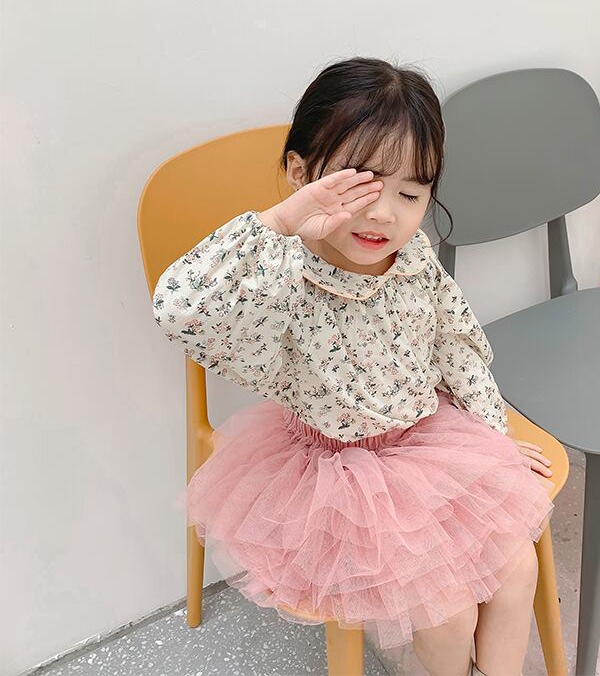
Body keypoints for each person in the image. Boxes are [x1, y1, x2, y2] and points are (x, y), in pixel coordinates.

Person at [152, 57, 555, 676]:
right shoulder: (281, 277)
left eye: (410, 195)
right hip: (337, 478)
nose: (384, 214)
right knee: (446, 614)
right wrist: (280, 222)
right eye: (358, 189)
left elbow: (455, 344)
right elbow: (180, 309)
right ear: (300, 173)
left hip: (429, 442)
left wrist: (492, 441)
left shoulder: (413, 255)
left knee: (518, 565)